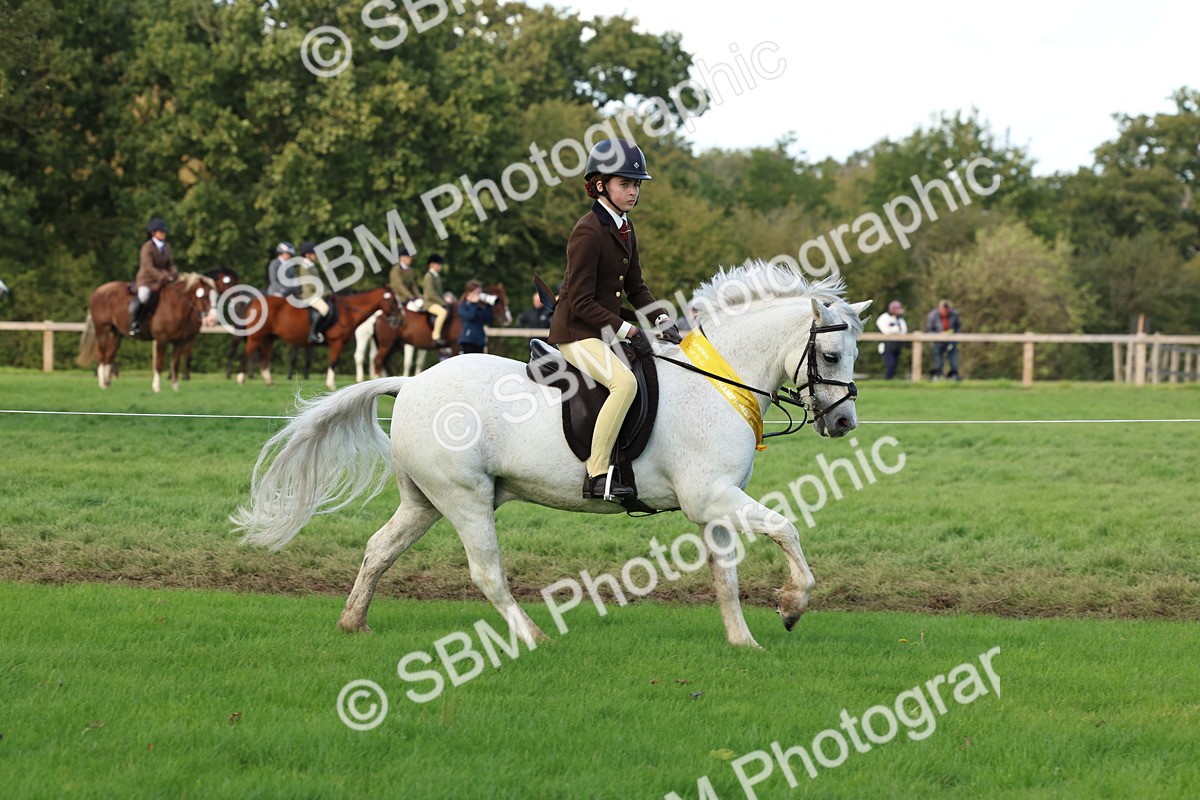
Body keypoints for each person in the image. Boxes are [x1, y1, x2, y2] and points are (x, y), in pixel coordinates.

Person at [548, 137, 681, 502]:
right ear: (601, 184)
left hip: (602, 326)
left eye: (636, 184)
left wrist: (662, 320)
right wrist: (628, 329)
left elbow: (637, 288)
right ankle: (596, 474)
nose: (633, 191)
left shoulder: (625, 226)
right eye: (625, 183)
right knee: (624, 383)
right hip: (577, 331)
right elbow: (579, 301)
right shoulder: (588, 230)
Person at [130, 218, 179, 336]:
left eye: (164, 232)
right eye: (161, 232)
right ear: (153, 233)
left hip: (163, 279)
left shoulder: (167, 247)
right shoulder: (147, 247)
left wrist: (174, 273)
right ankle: (135, 322)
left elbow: (170, 264)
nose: (164, 234)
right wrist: (162, 277)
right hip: (147, 280)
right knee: (144, 296)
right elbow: (148, 267)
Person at [291, 242, 331, 343]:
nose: (316, 255)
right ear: (307, 254)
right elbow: (311, 283)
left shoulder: (312, 266)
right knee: (324, 308)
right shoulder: (304, 267)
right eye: (314, 253)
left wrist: (328, 291)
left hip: (316, 293)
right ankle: (313, 333)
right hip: (309, 295)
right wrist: (323, 293)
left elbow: (319, 282)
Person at [925, 298, 962, 380]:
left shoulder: (954, 314)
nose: (945, 312)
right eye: (943, 310)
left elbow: (958, 328)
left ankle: (954, 375)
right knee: (938, 360)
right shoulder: (932, 316)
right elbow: (929, 330)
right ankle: (938, 375)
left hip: (951, 341)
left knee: (953, 359)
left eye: (947, 310)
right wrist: (939, 334)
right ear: (939, 309)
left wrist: (954, 336)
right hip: (937, 342)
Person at [457, 279, 497, 354]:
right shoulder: (463, 306)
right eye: (477, 293)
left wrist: (488, 305)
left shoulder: (479, 307)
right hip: (468, 341)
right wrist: (473, 304)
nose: (479, 295)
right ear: (469, 292)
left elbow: (489, 319)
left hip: (479, 341)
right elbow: (469, 317)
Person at [421, 253, 450, 346]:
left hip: (435, 301)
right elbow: (430, 294)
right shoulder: (428, 276)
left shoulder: (436, 276)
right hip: (429, 303)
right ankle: (436, 336)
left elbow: (439, 293)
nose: (440, 266)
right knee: (443, 312)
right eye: (438, 264)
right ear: (431, 264)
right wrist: (443, 302)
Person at [875, 300, 908, 379]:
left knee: (894, 364)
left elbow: (904, 331)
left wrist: (893, 329)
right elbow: (886, 331)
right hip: (886, 345)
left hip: (896, 346)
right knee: (891, 363)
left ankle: (890, 380)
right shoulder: (884, 317)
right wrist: (897, 329)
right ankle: (888, 380)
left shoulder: (900, 319)